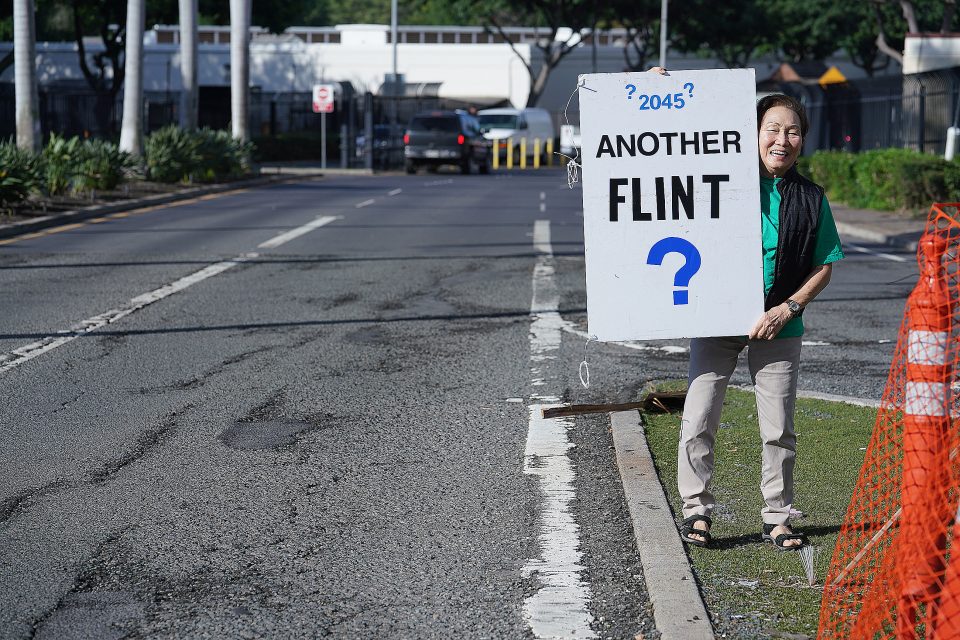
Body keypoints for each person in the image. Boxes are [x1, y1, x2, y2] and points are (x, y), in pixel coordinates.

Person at [649, 68, 845, 550]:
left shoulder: (811, 199)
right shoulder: (715, 178)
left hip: (780, 324)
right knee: (698, 419)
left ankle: (778, 517)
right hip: (716, 319)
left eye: (793, 131)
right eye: (772, 130)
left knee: (778, 427)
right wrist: (660, 92)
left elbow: (825, 264)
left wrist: (789, 307)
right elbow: (669, 149)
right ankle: (696, 512)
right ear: (751, 134)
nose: (782, 140)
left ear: (802, 141)